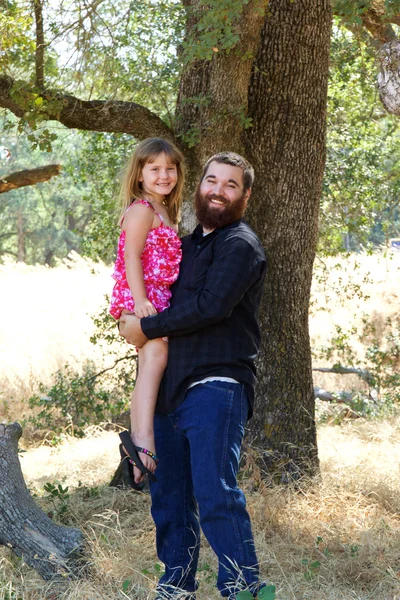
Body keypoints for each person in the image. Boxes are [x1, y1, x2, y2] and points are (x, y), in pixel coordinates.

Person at [119, 152, 275, 600]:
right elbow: (146, 280)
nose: (218, 191)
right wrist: (132, 312)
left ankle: (241, 587)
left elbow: (211, 307)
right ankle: (177, 584)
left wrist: (144, 326)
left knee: (215, 491)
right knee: (168, 496)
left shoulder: (240, 245)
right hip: (171, 389)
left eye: (231, 185)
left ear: (245, 195)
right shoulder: (184, 246)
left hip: (216, 384)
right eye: (212, 180)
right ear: (200, 186)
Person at [109, 138, 184, 489]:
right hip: (145, 298)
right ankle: (143, 441)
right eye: (154, 168)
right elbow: (131, 257)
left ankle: (139, 445)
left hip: (160, 298)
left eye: (170, 168)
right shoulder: (142, 210)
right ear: (140, 175)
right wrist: (140, 302)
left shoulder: (166, 210)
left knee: (152, 364)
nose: (163, 174)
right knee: (154, 360)